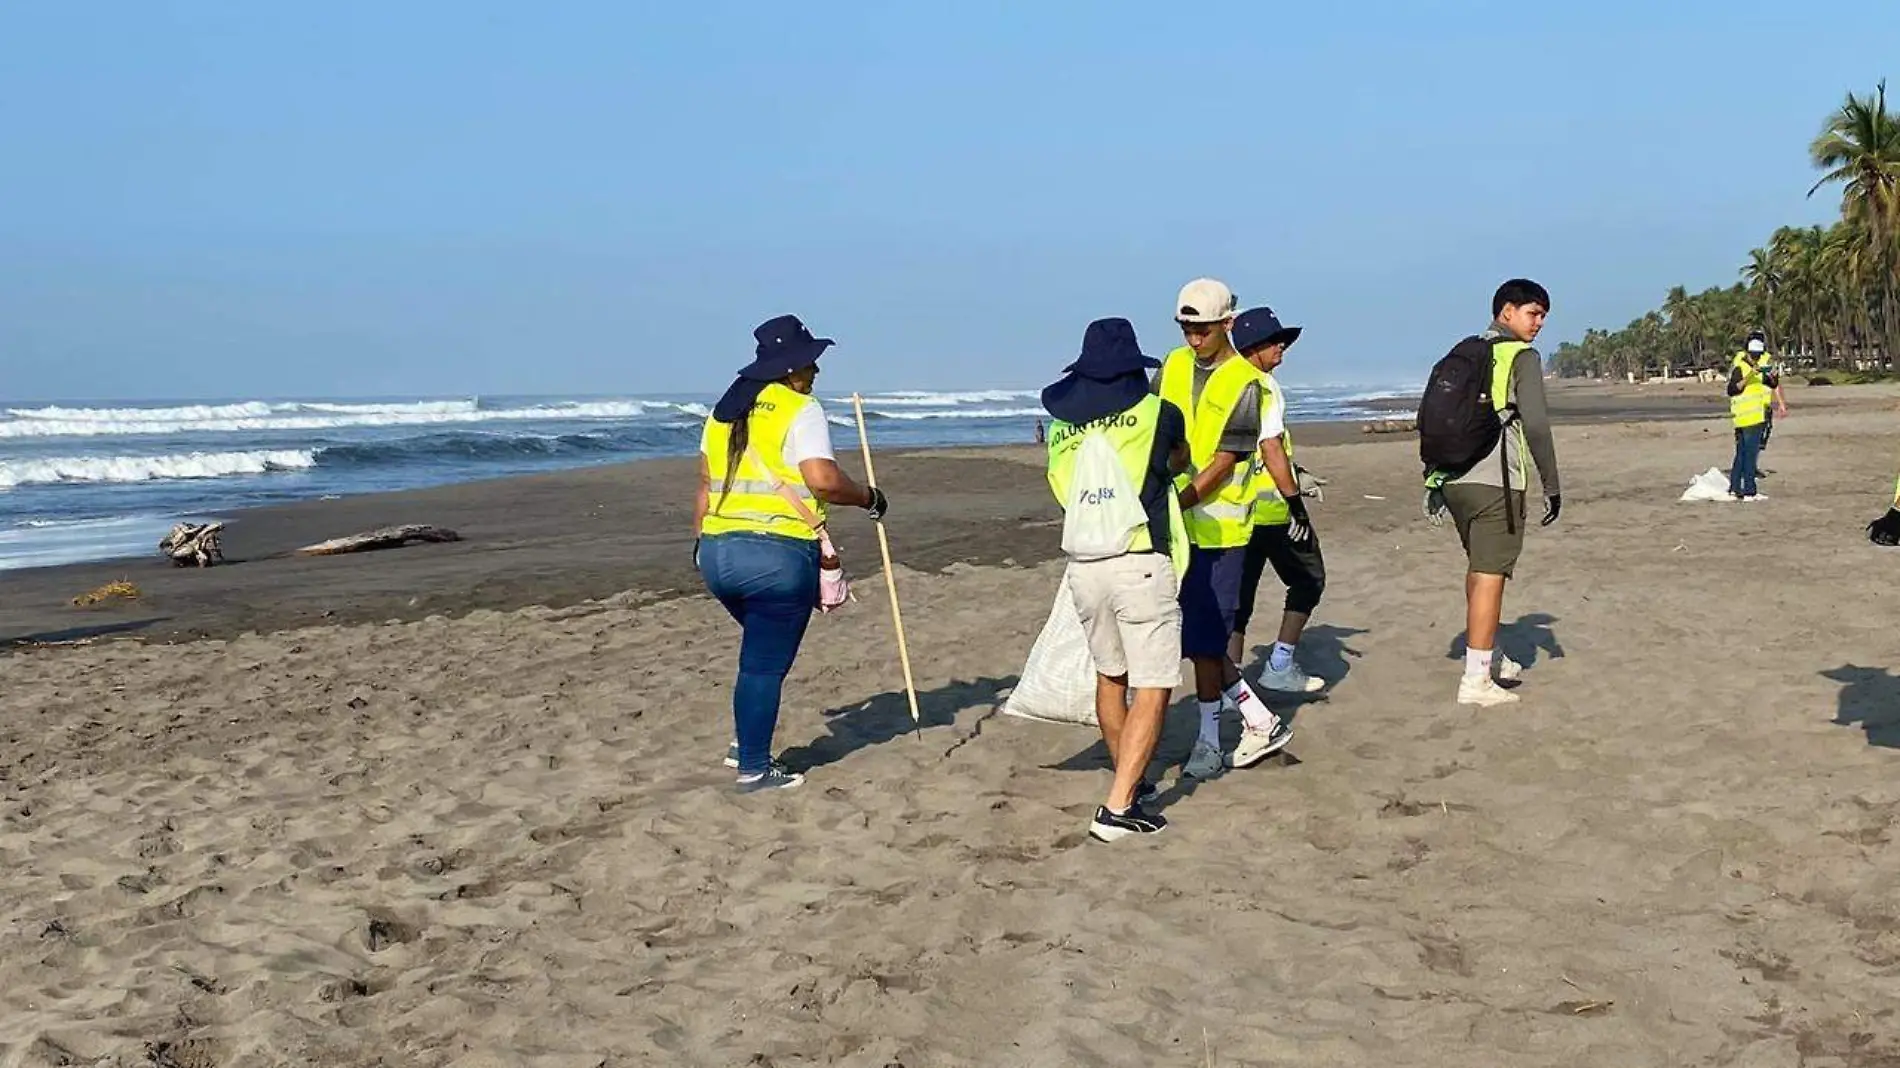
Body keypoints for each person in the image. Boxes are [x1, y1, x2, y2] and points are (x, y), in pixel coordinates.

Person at [694, 314, 889, 792]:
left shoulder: (724, 413)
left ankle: (746, 742)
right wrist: (868, 497)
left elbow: (704, 485)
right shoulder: (800, 408)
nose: (816, 372)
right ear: (789, 369)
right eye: (809, 363)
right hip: (776, 553)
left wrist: (701, 542)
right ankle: (754, 768)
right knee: (763, 664)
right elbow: (822, 479)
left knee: (759, 652)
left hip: (716, 551)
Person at [1042, 317, 1192, 841]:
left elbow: (1061, 488)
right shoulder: (1157, 413)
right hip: (1139, 557)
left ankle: (1133, 780)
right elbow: (1180, 462)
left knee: (1111, 676)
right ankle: (1119, 805)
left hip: (1085, 564)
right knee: (1154, 684)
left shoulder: (1062, 428)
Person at [1153, 278, 1293, 778]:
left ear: (1227, 324)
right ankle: (1253, 721)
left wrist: (1173, 500)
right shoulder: (1170, 366)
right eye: (1186, 329)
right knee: (1195, 640)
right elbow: (1155, 427)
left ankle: (1218, 738)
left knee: (1207, 642)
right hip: (1176, 529)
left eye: (1203, 330)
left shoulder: (1247, 384)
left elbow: (1226, 462)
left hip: (1221, 531)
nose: (1193, 339)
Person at [1423, 279, 1562, 707]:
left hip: (1454, 479)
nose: (1538, 323)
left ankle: (1491, 654)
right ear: (1506, 312)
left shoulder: (1465, 350)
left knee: (1479, 567)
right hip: (1495, 479)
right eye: (1532, 313)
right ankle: (1476, 679)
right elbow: (1536, 424)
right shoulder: (1520, 355)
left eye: (1542, 316)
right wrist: (1552, 484)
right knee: (1491, 574)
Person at [1228, 307, 1327, 695]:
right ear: (1253, 346)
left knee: (1238, 603)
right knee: (1309, 579)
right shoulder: (1263, 386)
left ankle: (1231, 685)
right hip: (1271, 511)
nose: (1282, 347)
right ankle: (1280, 664)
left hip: (1232, 512)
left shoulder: (1223, 381)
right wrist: (1296, 501)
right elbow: (1269, 446)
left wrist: (1296, 470)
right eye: (1275, 341)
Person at [1726, 330, 1774, 500]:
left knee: (1743, 454)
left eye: (1758, 356)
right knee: (1748, 455)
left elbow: (1772, 384)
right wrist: (1750, 374)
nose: (1756, 358)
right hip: (1745, 417)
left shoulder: (1761, 366)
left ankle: (1735, 489)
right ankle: (1749, 491)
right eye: (1754, 356)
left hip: (1756, 415)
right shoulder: (1741, 366)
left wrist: (1770, 375)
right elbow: (1732, 389)